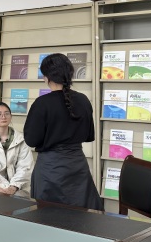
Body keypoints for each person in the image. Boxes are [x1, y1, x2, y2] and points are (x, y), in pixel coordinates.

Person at [23, 53, 103, 210]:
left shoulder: (42, 103)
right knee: (81, 215)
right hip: (77, 166)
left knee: (48, 216)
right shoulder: (83, 100)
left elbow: (31, 140)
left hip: (50, 169)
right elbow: (89, 135)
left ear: (47, 77)